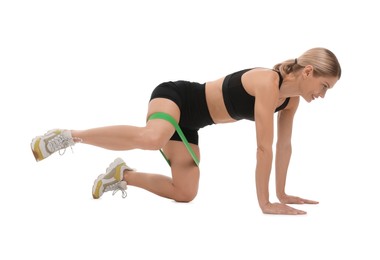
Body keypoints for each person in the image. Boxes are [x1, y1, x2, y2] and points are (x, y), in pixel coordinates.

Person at [31, 47, 342, 215]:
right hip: (178, 97)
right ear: (309, 72)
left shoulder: (289, 101)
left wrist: (282, 193)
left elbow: (284, 148)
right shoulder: (267, 82)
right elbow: (264, 147)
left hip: (191, 124)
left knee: (185, 193)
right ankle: (69, 136)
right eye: (324, 86)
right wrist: (265, 202)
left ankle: (121, 175)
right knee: (153, 138)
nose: (323, 94)